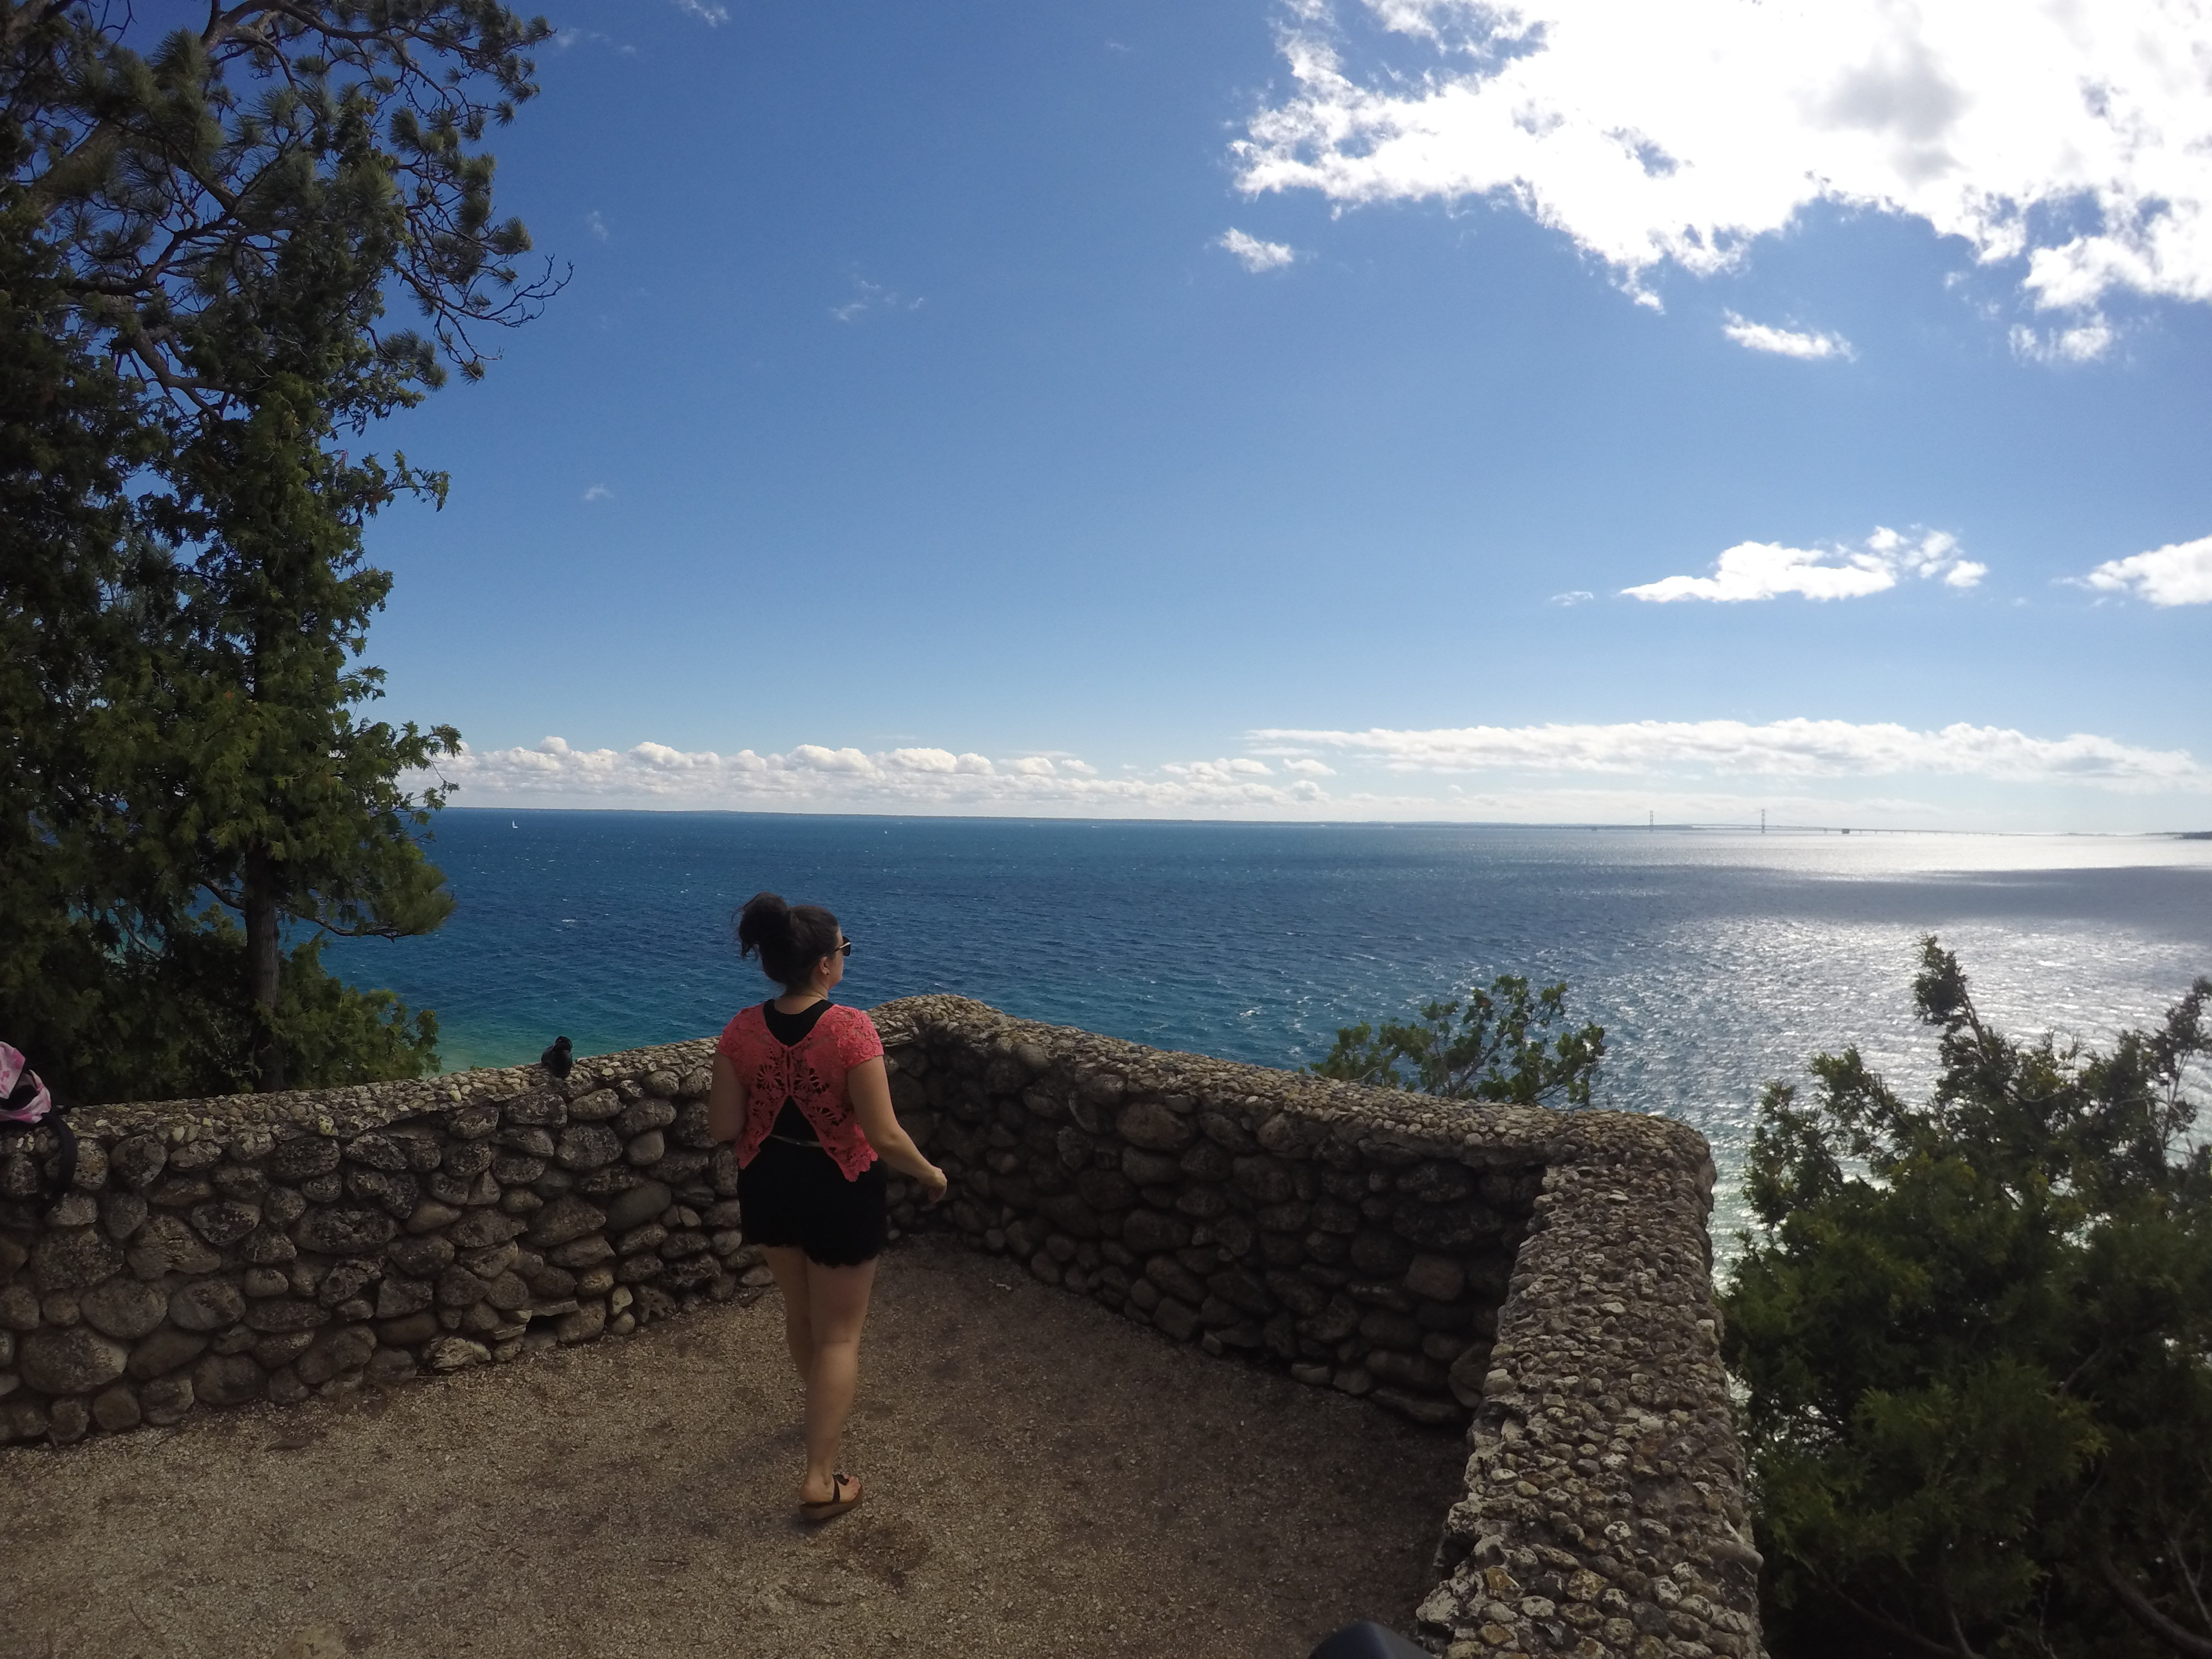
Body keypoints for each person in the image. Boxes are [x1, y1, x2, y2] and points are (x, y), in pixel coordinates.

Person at [707, 891, 947, 1522]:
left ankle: (816, 1411)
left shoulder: (740, 1029)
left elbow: (722, 1125)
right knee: (841, 1336)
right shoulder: (850, 1029)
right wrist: (931, 1173)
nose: (844, 959)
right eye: (843, 950)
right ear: (823, 965)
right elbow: (885, 1134)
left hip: (767, 1179)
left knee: (801, 1312)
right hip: (839, 1187)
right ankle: (819, 1478)